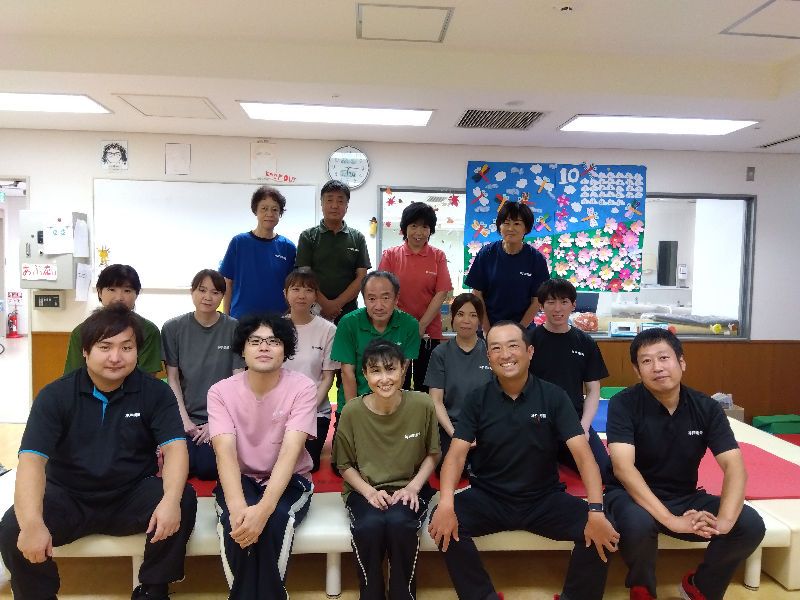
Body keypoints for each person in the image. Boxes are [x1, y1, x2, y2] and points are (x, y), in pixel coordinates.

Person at [0, 305, 196, 600]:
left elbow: (175, 448)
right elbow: (31, 461)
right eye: (105, 347)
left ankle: (153, 589)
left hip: (129, 496)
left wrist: (169, 502)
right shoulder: (55, 395)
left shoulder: (155, 393)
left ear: (137, 351)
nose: (116, 357)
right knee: (14, 527)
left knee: (182, 498)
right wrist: (32, 524)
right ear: (85, 351)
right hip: (68, 497)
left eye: (126, 347)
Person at [428, 321, 619, 600]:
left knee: (604, 526)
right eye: (496, 348)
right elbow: (456, 456)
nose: (505, 354)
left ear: (530, 352)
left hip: (544, 499)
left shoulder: (554, 396)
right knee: (440, 520)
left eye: (513, 346)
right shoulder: (477, 399)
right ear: (488, 357)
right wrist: (446, 503)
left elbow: (584, 457)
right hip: (489, 498)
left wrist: (596, 510)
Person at [605, 328, 766, 600]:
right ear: (637, 371)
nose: (657, 367)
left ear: (681, 362)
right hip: (630, 496)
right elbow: (623, 468)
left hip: (684, 496)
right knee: (638, 522)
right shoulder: (623, 403)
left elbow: (734, 466)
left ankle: (701, 587)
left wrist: (723, 523)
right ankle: (642, 588)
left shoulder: (706, 407)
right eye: (646, 361)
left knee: (749, 524)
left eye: (664, 358)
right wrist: (672, 521)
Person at [208, 313, 317, 600]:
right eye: (255, 341)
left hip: (290, 479)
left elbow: (291, 452)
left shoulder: (303, 388)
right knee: (236, 523)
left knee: (275, 519)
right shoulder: (220, 392)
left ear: (286, 350)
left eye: (274, 341)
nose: (264, 347)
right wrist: (237, 509)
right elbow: (224, 452)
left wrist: (264, 509)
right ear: (242, 349)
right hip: (241, 477)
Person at [333, 339, 440, 600]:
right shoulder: (352, 411)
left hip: (410, 487)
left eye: (391, 369)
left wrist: (413, 487)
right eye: (375, 371)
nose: (384, 379)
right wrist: (369, 492)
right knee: (369, 527)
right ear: (365, 374)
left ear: (404, 369)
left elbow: (433, 454)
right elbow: (344, 465)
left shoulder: (423, 404)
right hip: (365, 489)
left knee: (399, 523)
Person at [161, 269, 245, 481]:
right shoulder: (172, 328)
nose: (208, 297)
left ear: (223, 296)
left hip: (222, 417)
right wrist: (184, 420)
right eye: (202, 290)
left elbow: (238, 381)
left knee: (208, 470)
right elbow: (172, 379)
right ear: (192, 292)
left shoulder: (234, 328)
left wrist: (217, 422)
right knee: (183, 468)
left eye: (215, 292)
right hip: (185, 415)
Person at [528, 278, 612, 483]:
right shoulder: (529, 340)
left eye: (564, 302)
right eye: (551, 302)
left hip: (573, 421)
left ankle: (562, 453)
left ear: (573, 305)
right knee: (530, 476)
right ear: (541, 306)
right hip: (536, 421)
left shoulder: (585, 342)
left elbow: (593, 390)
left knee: (603, 471)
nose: (557, 308)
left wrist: (584, 426)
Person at [378, 201, 452, 392]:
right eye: (413, 226)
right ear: (404, 228)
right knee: (395, 383)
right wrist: (406, 325)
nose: (419, 232)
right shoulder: (391, 255)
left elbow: (442, 292)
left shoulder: (438, 256)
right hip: (396, 330)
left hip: (428, 333)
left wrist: (421, 325)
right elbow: (384, 292)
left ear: (431, 230)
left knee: (426, 387)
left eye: (425, 227)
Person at [330, 271, 420, 420]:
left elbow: (401, 373)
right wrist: (355, 414)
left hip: (391, 406)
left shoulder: (410, 325)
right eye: (371, 298)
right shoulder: (348, 323)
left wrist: (388, 408)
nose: (379, 306)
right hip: (353, 403)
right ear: (364, 299)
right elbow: (347, 373)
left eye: (385, 298)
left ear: (396, 298)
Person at [424, 293, 492, 466]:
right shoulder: (440, 353)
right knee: (447, 465)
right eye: (460, 314)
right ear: (453, 318)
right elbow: (436, 401)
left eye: (473, 315)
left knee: (492, 464)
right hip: (451, 426)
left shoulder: (491, 351)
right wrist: (455, 434)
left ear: (480, 320)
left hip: (485, 426)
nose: (466, 320)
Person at [282, 268, 339, 472]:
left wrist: (306, 410)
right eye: (295, 289)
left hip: (315, 412)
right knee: (272, 460)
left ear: (316, 295)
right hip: (278, 412)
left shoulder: (328, 330)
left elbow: (327, 377)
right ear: (285, 293)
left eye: (308, 290)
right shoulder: (275, 328)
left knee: (307, 464)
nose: (301, 295)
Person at [64, 263, 163, 375]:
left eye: (127, 291)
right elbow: (74, 376)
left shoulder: (148, 330)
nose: (119, 298)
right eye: (112, 289)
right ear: (99, 292)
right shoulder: (82, 331)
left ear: (136, 294)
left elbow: (148, 378)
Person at [465, 201, 550, 331]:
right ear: (499, 226)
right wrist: (487, 329)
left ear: (526, 228)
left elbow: (537, 300)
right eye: (506, 223)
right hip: (489, 326)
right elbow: (477, 294)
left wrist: (519, 330)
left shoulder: (536, 259)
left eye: (517, 224)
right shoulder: (487, 253)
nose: (510, 228)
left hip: (523, 329)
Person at [296, 180, 371, 322]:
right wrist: (324, 304)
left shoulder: (357, 237)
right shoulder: (308, 236)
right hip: (313, 309)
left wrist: (337, 304)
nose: (335, 205)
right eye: (329, 200)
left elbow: (361, 277)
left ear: (347, 206)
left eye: (340, 201)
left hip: (348, 311)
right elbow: (305, 275)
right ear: (322, 203)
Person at [220, 185, 297, 319]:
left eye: (275, 209)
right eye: (264, 208)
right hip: (241, 319)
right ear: (255, 210)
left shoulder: (288, 247)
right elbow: (228, 283)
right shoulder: (239, 242)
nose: (269, 214)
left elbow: (293, 287)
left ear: (280, 213)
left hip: (277, 319)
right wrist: (226, 318)